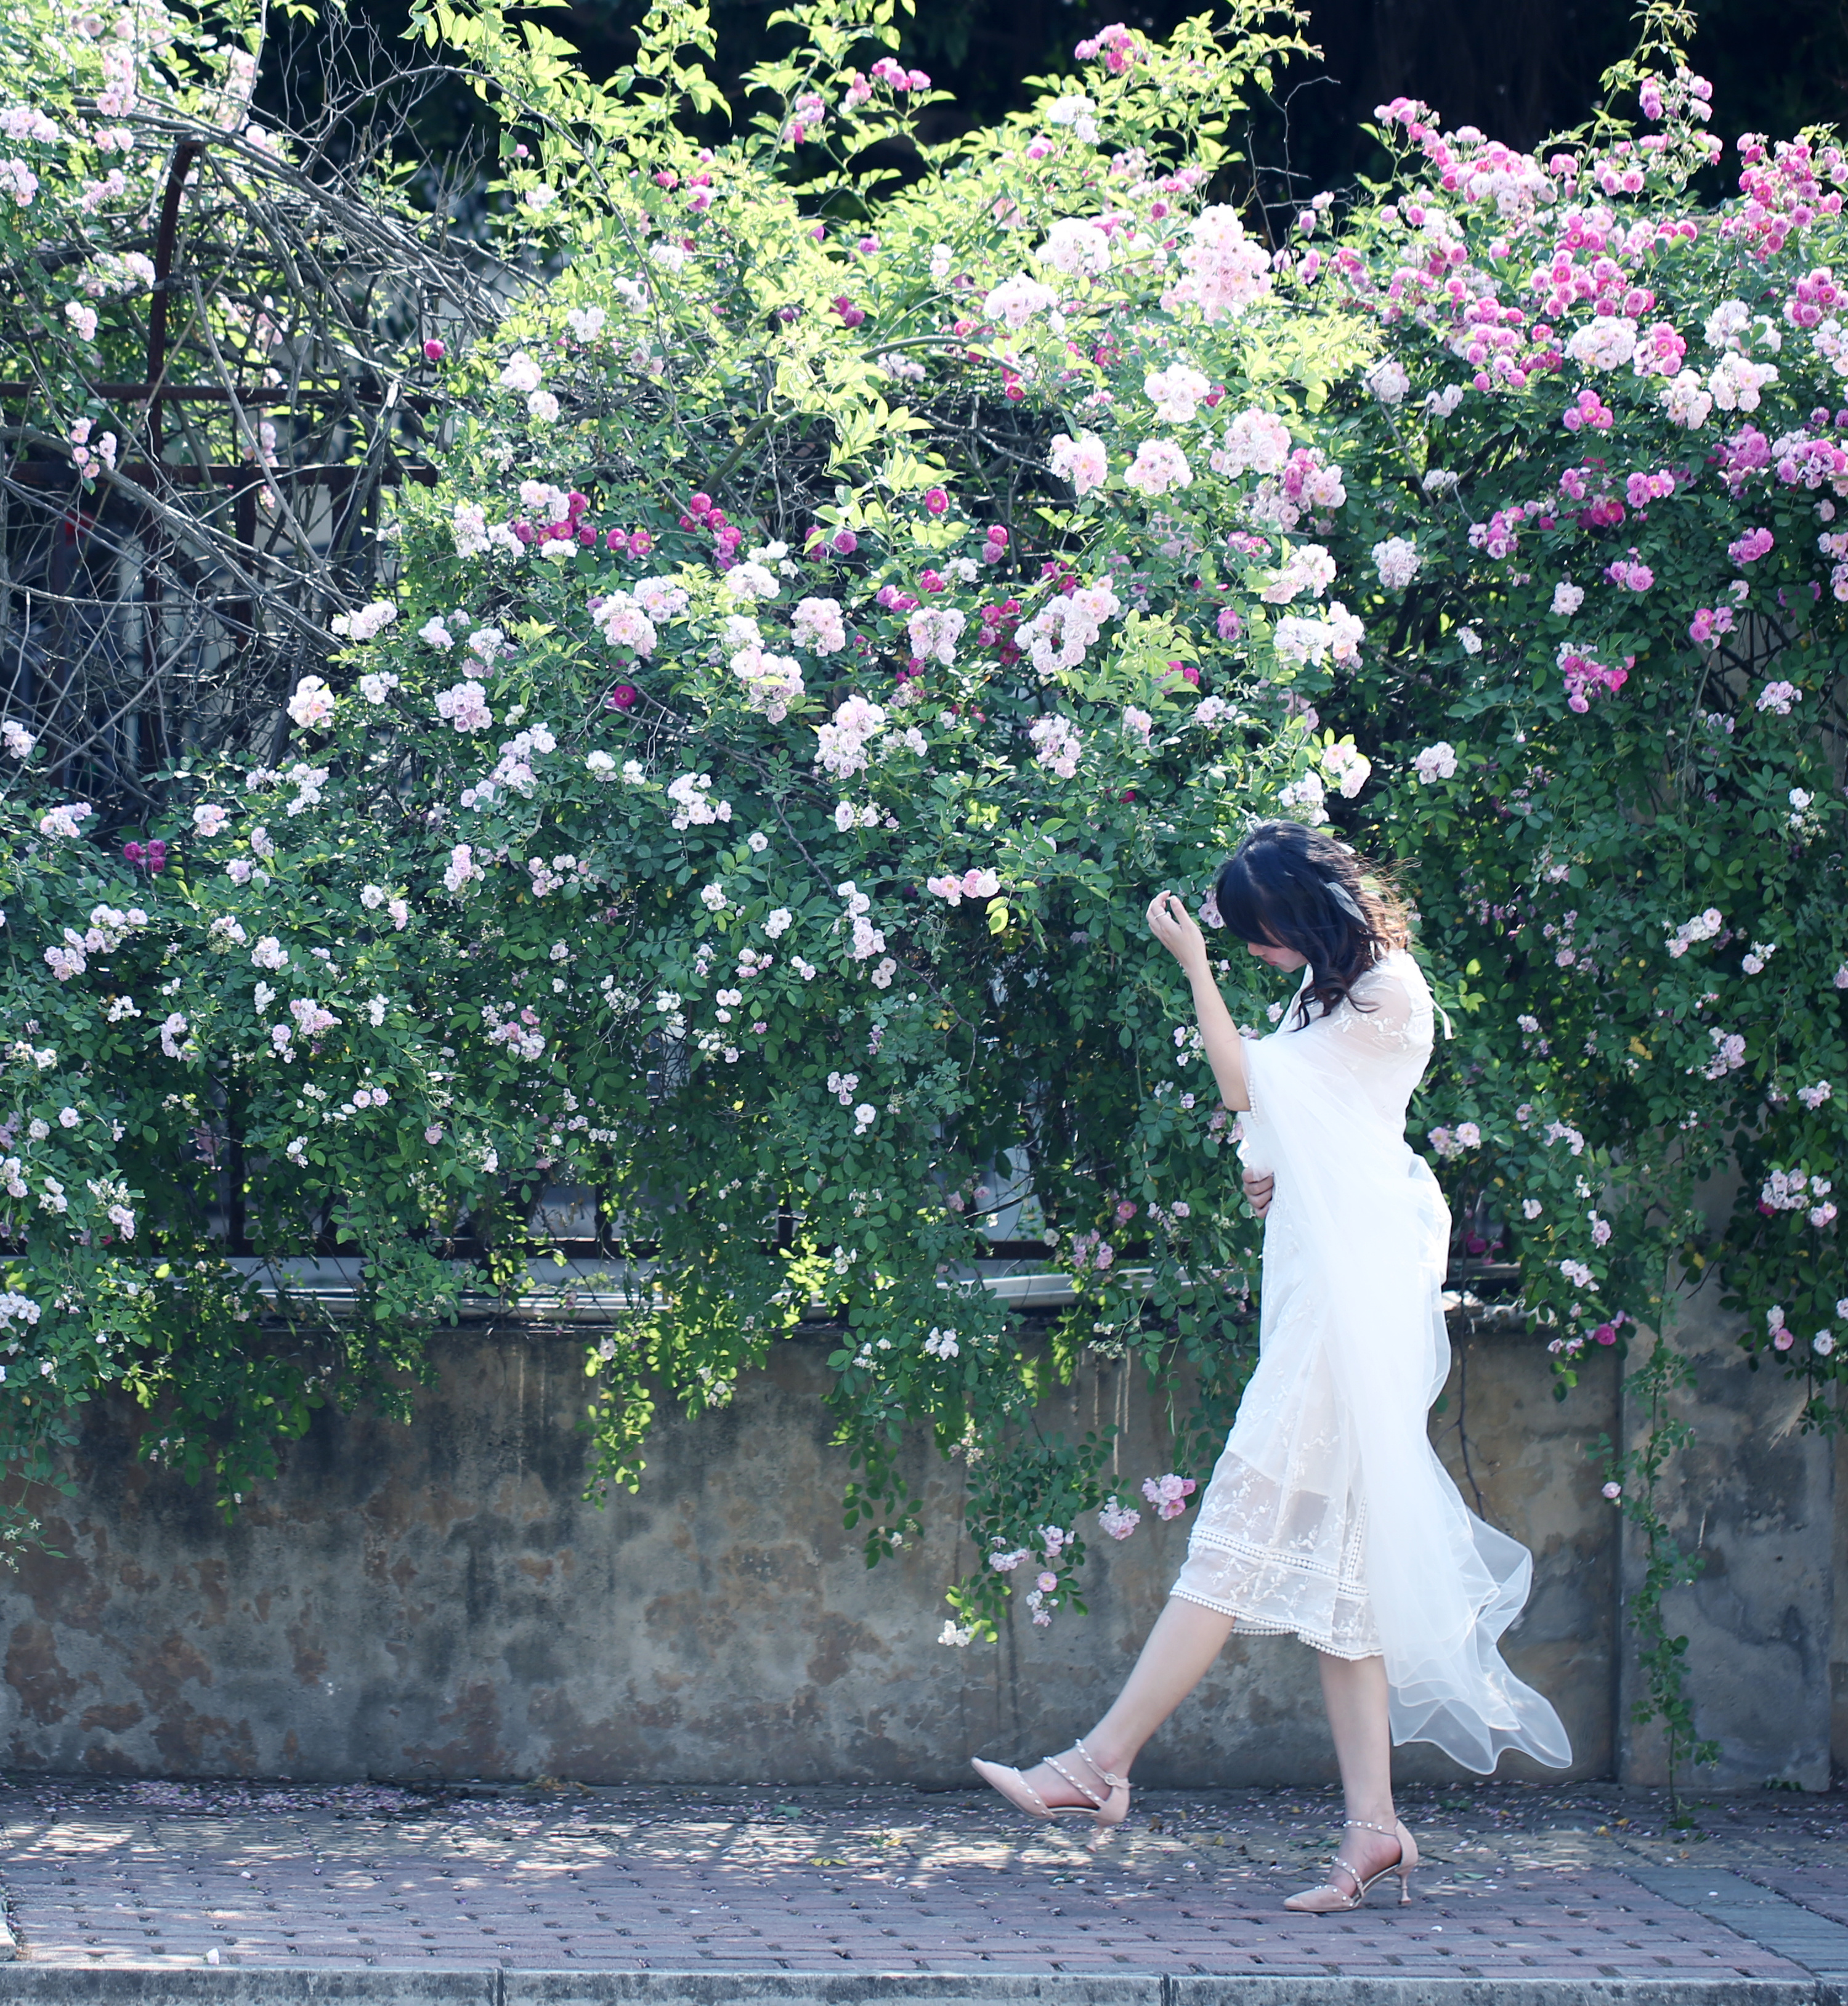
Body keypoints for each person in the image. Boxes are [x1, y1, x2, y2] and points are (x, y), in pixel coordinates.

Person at [972, 819, 1571, 1912]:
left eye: (1259, 932)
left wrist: (1195, 970)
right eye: (1240, 939)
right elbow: (1290, 1117)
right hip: (1319, 1271)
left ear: (1304, 914)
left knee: (1240, 1521)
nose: (1253, 950)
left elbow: (1254, 1084)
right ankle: (1374, 1830)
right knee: (1347, 1580)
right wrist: (1267, 1165)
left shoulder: (1388, 993)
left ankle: (1100, 1762)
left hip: (1355, 1288)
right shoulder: (1326, 991)